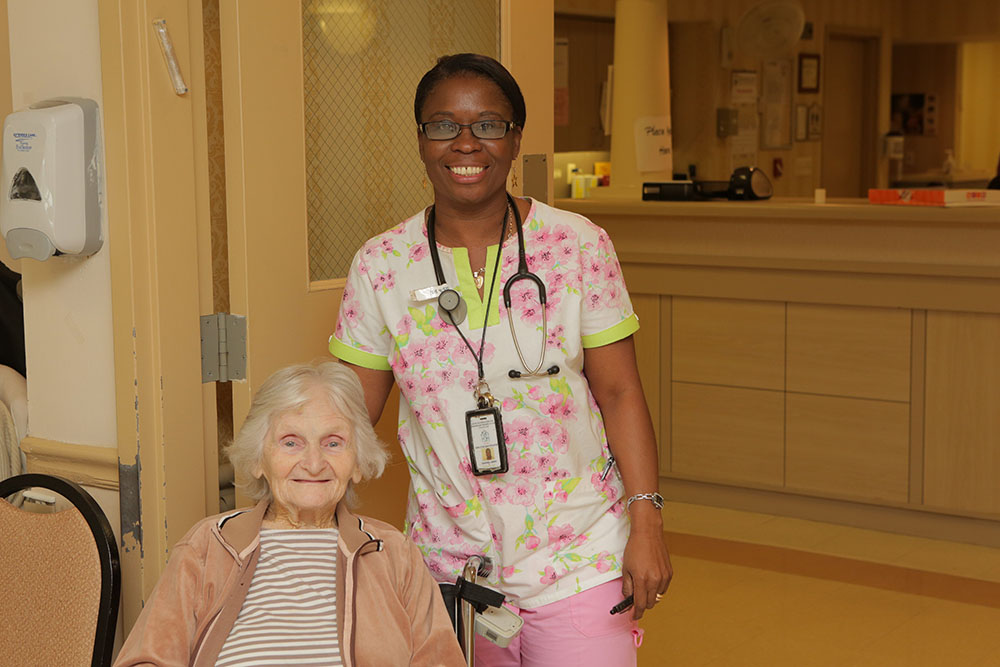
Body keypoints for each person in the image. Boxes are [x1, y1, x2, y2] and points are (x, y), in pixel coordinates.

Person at [329, 53, 672, 665]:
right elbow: (347, 414)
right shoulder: (381, 265)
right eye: (444, 125)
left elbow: (620, 394)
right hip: (449, 569)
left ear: (515, 140)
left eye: (488, 125)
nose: (466, 142)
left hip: (580, 549)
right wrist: (294, 503)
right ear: (420, 139)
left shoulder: (577, 245)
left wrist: (647, 525)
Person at [114, 361, 465, 666]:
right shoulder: (209, 545)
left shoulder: (393, 553)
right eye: (291, 442)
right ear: (257, 459)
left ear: (357, 462)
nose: (313, 463)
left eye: (333, 443)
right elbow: (147, 660)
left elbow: (440, 661)